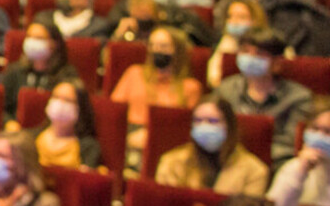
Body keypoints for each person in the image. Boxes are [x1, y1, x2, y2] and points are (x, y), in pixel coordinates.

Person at [112, 26, 203, 175]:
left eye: (163, 46)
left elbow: (186, 128)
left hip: (165, 142)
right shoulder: (134, 73)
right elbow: (114, 114)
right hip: (128, 137)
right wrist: (126, 138)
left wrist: (151, 137)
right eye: (152, 45)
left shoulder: (190, 87)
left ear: (178, 51)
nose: (156, 50)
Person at [215, 29, 313, 167]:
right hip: (228, 159)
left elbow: (291, 143)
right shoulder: (226, 89)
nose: (250, 58)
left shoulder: (298, 98)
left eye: (259, 54)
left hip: (273, 164)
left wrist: (252, 159)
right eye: (245, 51)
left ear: (276, 62)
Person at [154, 95, 270, 196]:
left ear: (229, 126)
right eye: (198, 121)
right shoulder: (171, 162)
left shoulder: (255, 171)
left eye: (213, 121)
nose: (204, 127)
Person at [269, 107, 330, 206]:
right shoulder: (294, 167)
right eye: (315, 129)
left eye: (328, 131)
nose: (319, 136)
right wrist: (300, 172)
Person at [28, 81, 102, 171]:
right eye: (56, 97)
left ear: (80, 108)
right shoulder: (30, 137)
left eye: (68, 100)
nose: (60, 104)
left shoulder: (89, 147)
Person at [207, 0, 269, 88]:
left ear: (255, 20)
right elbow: (213, 78)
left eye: (242, 17)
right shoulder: (227, 41)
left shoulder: (270, 42)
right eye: (230, 16)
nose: (234, 21)